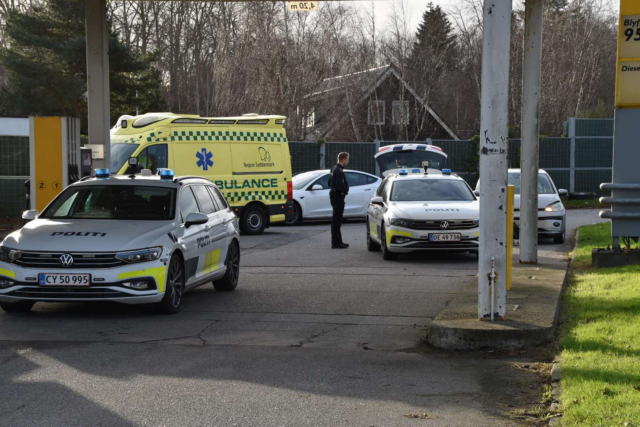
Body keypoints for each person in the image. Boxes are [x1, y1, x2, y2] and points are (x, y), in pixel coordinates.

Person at [328, 152, 350, 249]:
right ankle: (336, 243)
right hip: (337, 197)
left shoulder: (333, 169)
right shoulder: (339, 171)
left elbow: (329, 182)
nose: (348, 161)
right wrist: (346, 189)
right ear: (343, 159)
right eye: (347, 159)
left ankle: (338, 241)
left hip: (334, 196)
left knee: (336, 220)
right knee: (337, 221)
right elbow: (340, 186)